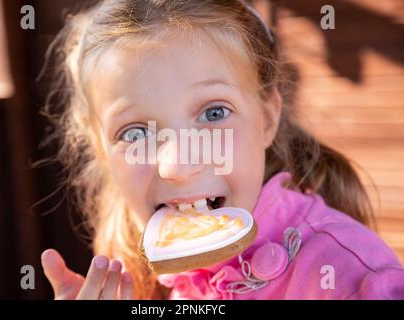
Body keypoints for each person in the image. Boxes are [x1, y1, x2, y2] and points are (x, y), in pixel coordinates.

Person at [39, 0, 404, 299]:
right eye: (135, 133)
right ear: (103, 151)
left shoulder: (351, 280)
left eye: (214, 113)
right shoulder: (138, 281)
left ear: (268, 116)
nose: (177, 165)